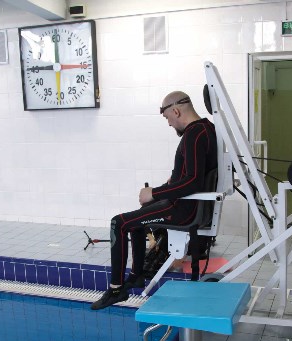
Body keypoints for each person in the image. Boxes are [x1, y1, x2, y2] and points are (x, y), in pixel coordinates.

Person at [90, 91, 218, 310]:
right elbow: (192, 174)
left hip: (183, 209)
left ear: (176, 111)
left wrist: (155, 193)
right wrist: (169, 185)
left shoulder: (194, 134)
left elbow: (193, 182)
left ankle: (116, 289)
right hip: (190, 206)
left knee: (118, 223)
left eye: (167, 118)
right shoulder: (207, 129)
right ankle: (137, 276)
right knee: (136, 220)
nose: (169, 123)